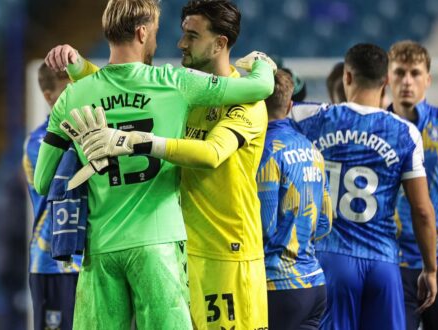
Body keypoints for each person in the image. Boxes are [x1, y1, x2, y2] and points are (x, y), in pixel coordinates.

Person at [33, 0, 276, 328]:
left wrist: (80, 71)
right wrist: (262, 63)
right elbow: (125, 86)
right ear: (142, 32)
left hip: (199, 250)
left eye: (191, 35)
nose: (177, 43)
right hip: (166, 245)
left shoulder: (75, 96)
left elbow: (42, 181)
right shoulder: (176, 86)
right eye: (171, 33)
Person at [289, 43, 438, 330]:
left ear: (346, 77)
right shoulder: (405, 132)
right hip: (383, 263)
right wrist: (430, 269)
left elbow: (274, 108)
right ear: (385, 82)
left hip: (331, 258)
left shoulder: (313, 118)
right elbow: (422, 210)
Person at [387, 40, 438, 330]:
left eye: (415, 73)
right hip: (393, 263)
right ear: (387, 78)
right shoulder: (377, 129)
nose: (407, 81)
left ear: (428, 79)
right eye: (399, 72)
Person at [258, 69, 332, 329]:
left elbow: (263, 227)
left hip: (278, 285)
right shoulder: (312, 149)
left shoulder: (264, 151)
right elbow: (325, 223)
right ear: (290, 105)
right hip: (314, 283)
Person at [23, 63, 82, 330]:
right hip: (52, 264)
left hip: (89, 262)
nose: (76, 98)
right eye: (67, 91)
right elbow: (72, 175)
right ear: (48, 97)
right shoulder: (37, 142)